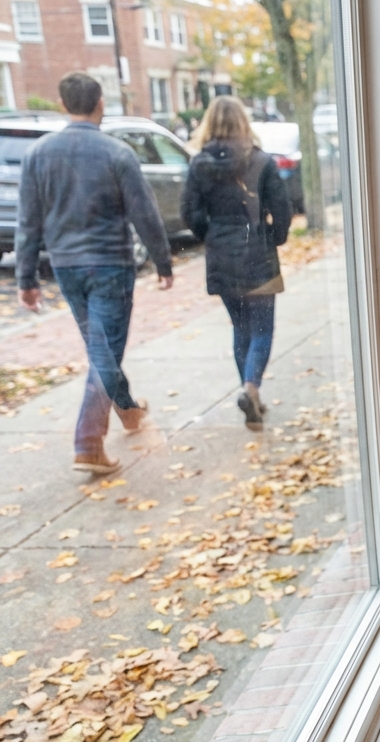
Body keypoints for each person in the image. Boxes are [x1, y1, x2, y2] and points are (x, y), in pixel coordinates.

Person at [16, 72, 173, 474]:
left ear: (64, 105)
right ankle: (87, 444)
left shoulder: (38, 154)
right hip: (110, 265)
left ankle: (128, 410)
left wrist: (27, 278)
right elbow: (145, 214)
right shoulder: (117, 153)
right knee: (105, 350)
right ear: (100, 103)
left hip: (67, 266)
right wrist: (162, 261)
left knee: (99, 347)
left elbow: (28, 222)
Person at [181, 96, 292, 431]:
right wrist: (273, 236)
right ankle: (251, 387)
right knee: (262, 328)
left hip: (222, 257)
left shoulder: (199, 165)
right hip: (257, 252)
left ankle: (250, 393)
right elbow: (283, 211)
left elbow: (191, 214)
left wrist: (211, 235)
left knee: (241, 328)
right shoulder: (261, 162)